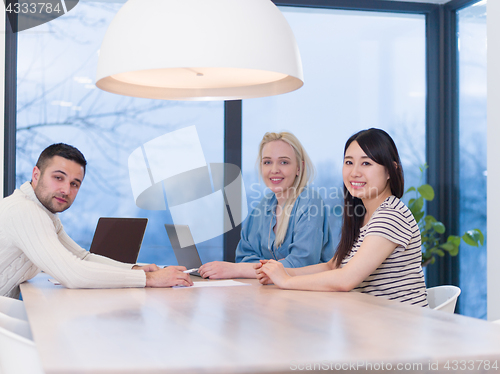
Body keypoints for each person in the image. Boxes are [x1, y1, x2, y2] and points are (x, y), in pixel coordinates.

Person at [256, 128, 428, 307]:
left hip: (400, 326)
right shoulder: (362, 214)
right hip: (372, 322)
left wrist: (286, 281)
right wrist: (282, 271)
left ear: (390, 170)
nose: (354, 172)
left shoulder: (391, 215)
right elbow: (333, 266)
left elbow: (346, 279)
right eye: (349, 162)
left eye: (366, 163)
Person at [0, 143, 192, 298]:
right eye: (58, 178)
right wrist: (148, 278)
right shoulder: (24, 211)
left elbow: (83, 257)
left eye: (74, 184)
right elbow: (72, 274)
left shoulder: (44, 214)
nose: (66, 190)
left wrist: (135, 269)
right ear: (36, 175)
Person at [199, 132, 335, 279]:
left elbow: (302, 263)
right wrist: (271, 269)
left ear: (299, 168)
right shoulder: (262, 206)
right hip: (269, 293)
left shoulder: (310, 202)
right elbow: (245, 257)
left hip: (309, 295)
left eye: (284, 162)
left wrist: (239, 270)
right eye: (267, 162)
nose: (274, 170)